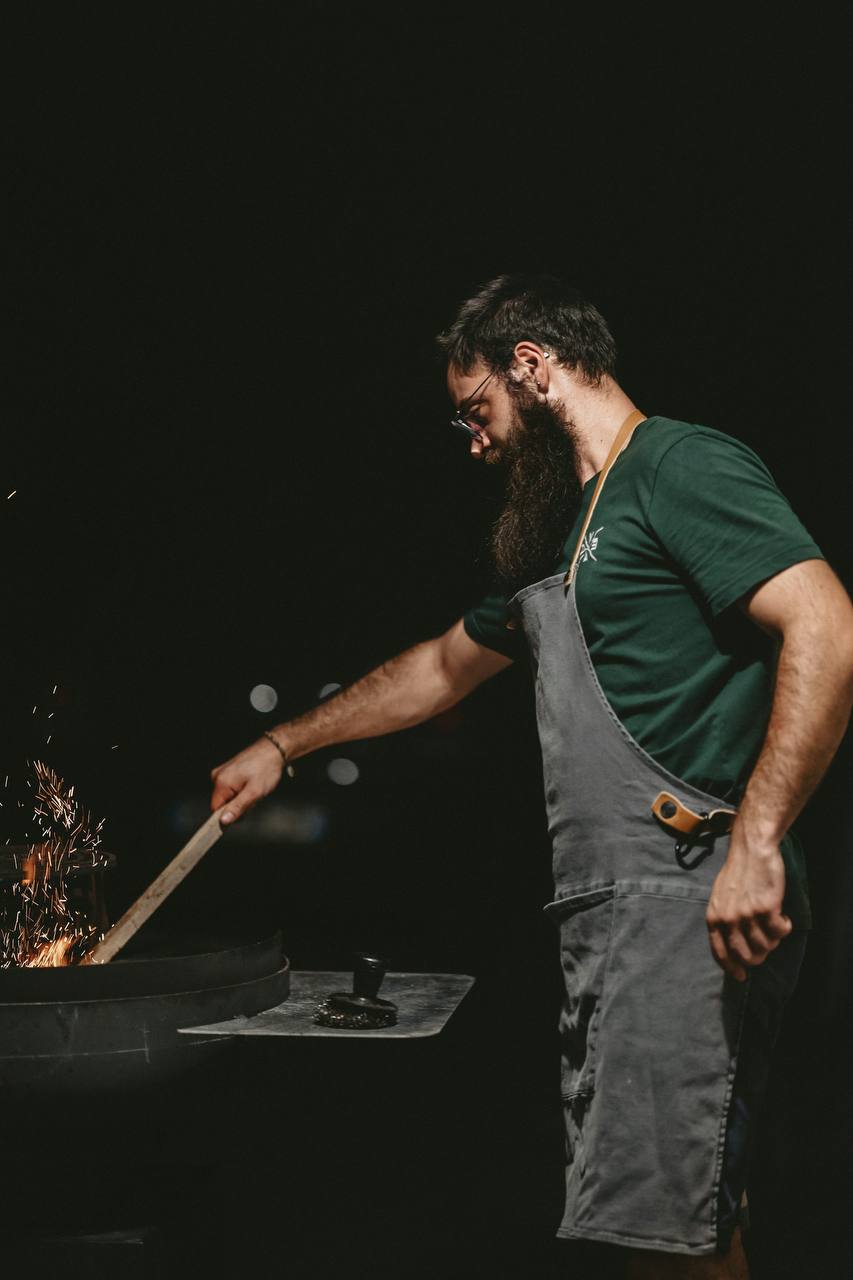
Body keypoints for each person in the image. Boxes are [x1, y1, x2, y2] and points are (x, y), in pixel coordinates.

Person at [209, 275, 853, 1278]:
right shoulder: (563, 537)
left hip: (689, 892)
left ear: (532, 366)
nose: (470, 440)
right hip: (608, 916)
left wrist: (757, 841)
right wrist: (281, 743)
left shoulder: (675, 465)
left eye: (476, 410)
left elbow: (826, 623)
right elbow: (439, 668)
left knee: (679, 1236)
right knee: (661, 1224)